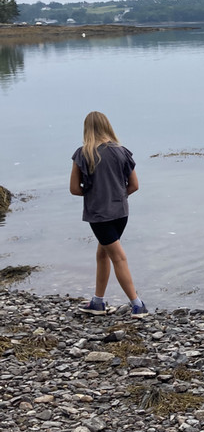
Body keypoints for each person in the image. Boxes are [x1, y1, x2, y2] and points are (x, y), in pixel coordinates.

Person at [70, 111, 148, 318]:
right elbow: (134, 185)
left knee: (118, 257)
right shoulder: (122, 152)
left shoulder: (83, 154)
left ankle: (137, 304)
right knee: (102, 253)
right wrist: (118, 195)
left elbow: (74, 189)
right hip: (121, 211)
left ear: (87, 129)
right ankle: (98, 302)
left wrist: (94, 192)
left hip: (99, 214)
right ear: (107, 127)